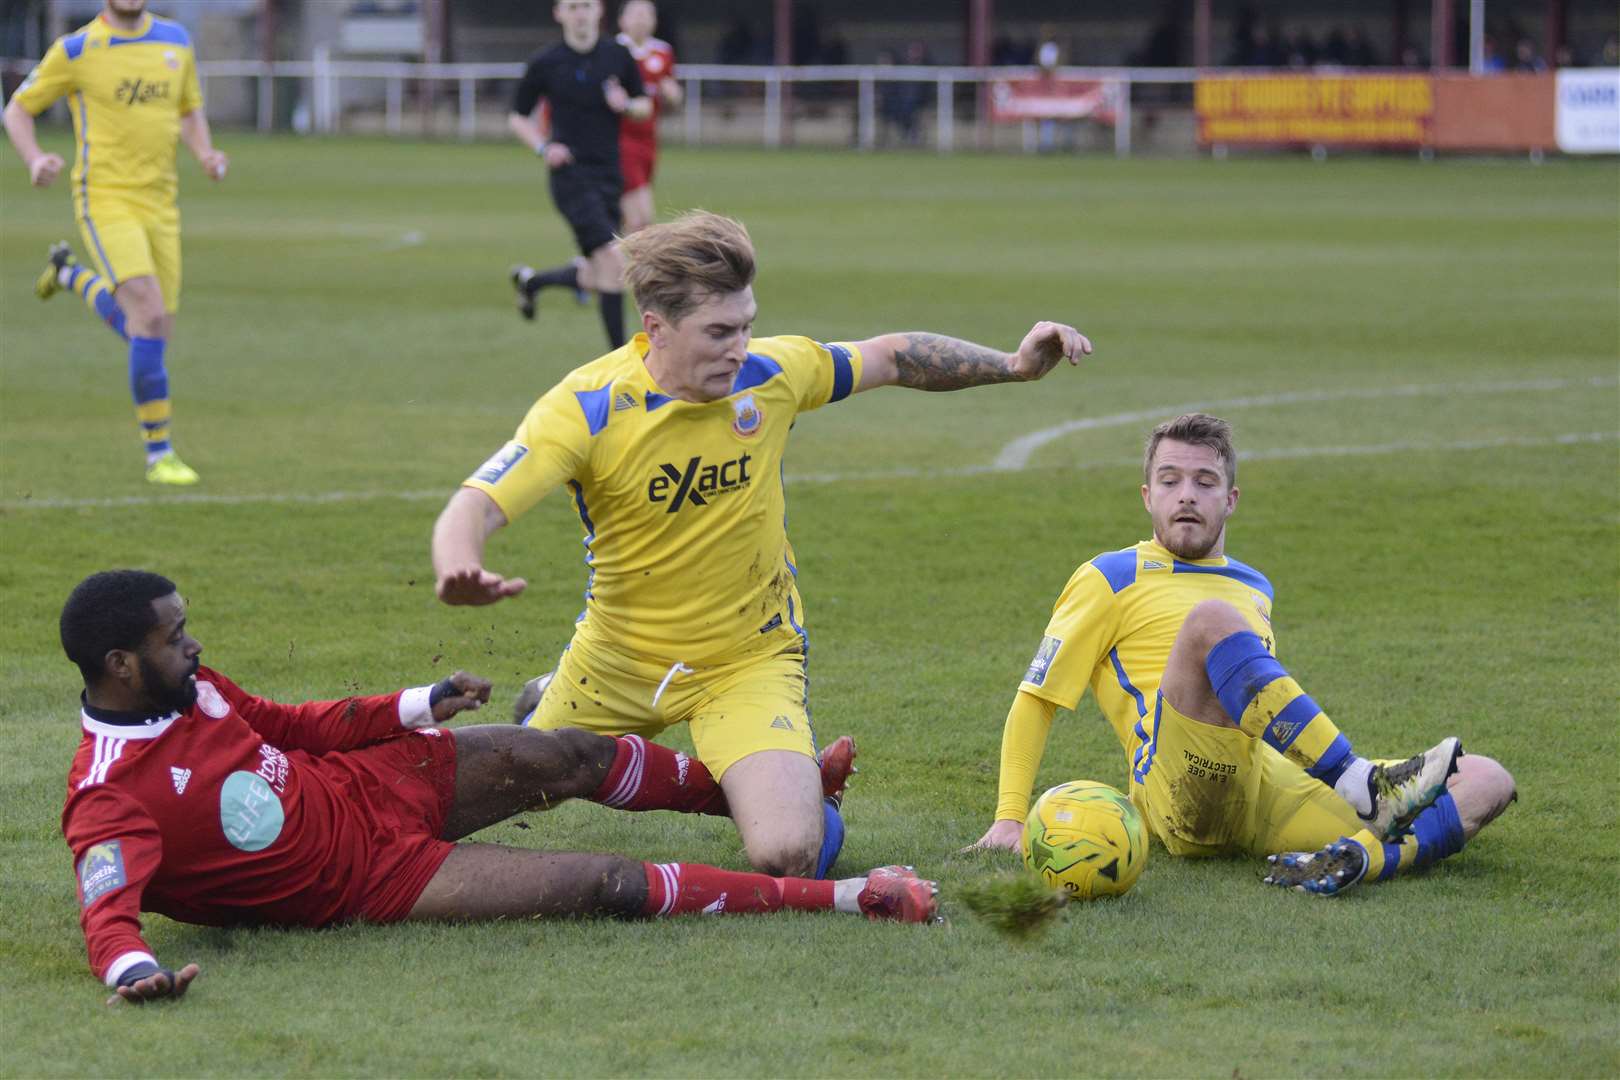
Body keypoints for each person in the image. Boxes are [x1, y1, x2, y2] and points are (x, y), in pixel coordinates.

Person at [433, 209, 1092, 884]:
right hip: (616, 660)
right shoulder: (588, 405)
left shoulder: (771, 373)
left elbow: (891, 355)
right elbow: (478, 500)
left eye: (747, 324)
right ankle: (563, 704)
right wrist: (459, 559)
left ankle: (797, 793)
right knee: (451, 807)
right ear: (654, 327)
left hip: (746, 659)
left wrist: (1013, 365)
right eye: (719, 331)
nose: (741, 347)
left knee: (786, 854)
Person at [59, 570, 939, 1005]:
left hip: (370, 783)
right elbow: (109, 916)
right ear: (122, 665)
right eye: (177, 638)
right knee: (602, 884)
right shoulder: (110, 796)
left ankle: (753, 794)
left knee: (567, 755)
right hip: (370, 880)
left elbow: (293, 726)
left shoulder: (198, 689)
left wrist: (416, 704)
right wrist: (136, 973)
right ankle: (850, 896)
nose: (195, 646)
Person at [969, 414, 1516, 895]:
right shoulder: (1108, 577)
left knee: (1488, 779)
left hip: (1265, 790)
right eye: (1170, 480)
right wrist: (1009, 818)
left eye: (1205, 482)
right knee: (1211, 620)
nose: (1186, 494)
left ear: (1230, 500)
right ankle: (1364, 789)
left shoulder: (1255, 586)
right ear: (1147, 496)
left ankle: (1360, 862)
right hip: (1177, 788)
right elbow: (1037, 699)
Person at [3, 0, 227, 486]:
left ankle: (68, 274)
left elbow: (189, 110)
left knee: (151, 331)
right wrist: (34, 158)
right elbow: (18, 109)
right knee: (146, 313)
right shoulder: (77, 49)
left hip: (162, 206)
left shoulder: (175, 41)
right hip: (105, 200)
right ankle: (159, 454)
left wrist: (205, 153)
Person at [507, 0, 648, 350]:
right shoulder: (545, 62)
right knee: (614, 261)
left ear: (599, 11)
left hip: (609, 175)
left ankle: (532, 283)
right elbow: (517, 116)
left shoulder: (618, 56)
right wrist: (543, 148)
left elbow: (644, 105)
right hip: (569, 176)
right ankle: (619, 360)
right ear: (559, 14)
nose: (580, 13)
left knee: (597, 272)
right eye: (572, 7)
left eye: (586, 5)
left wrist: (626, 105)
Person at [614, 0, 681, 234]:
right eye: (636, 13)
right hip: (620, 140)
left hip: (649, 140)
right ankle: (633, 268)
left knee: (628, 218)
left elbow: (671, 98)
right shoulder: (613, 52)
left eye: (647, 14)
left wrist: (673, 95)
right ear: (621, 20)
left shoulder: (662, 52)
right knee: (642, 218)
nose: (642, 19)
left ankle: (608, 262)